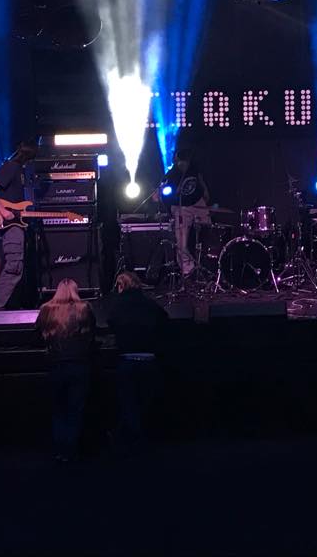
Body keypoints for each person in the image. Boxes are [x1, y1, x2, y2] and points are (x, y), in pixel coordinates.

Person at [98, 271, 169, 451]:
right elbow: (164, 320)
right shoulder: (149, 304)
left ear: (121, 286)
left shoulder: (118, 305)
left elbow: (111, 322)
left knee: (128, 402)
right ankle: (136, 438)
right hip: (149, 359)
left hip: (127, 358)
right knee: (144, 402)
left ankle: (130, 439)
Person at [35, 279, 96, 462]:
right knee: (75, 410)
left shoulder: (46, 309)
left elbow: (36, 334)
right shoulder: (84, 308)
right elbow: (92, 334)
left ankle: (60, 450)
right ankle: (71, 450)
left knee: (58, 409)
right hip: (79, 364)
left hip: (56, 364)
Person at [0, 140, 38, 309]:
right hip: (10, 223)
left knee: (19, 266)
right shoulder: (11, 166)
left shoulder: (21, 171)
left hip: (18, 222)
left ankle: (13, 305)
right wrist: (2, 210)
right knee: (14, 265)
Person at [158, 147, 211, 276]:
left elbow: (200, 180)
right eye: (180, 162)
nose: (182, 164)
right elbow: (162, 192)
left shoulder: (194, 168)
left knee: (209, 232)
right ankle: (188, 270)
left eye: (185, 161)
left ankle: (208, 265)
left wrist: (205, 192)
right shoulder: (172, 174)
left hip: (198, 203)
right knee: (181, 241)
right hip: (181, 207)